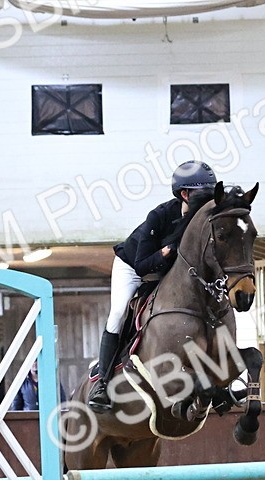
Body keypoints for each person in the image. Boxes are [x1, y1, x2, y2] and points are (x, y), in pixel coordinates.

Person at [88, 161, 219, 411]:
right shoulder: (160, 216)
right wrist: (168, 251)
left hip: (166, 274)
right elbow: (142, 265)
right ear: (185, 194)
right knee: (118, 312)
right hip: (133, 266)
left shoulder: (204, 221)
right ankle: (102, 383)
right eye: (204, 196)